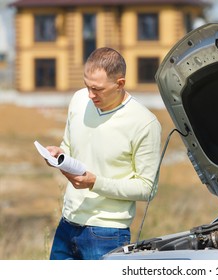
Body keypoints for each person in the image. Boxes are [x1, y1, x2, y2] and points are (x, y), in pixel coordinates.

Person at [46, 47, 162, 260]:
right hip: (68, 223)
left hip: (107, 233)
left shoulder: (145, 123)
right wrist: (59, 154)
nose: (90, 95)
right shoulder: (79, 100)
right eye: (86, 86)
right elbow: (70, 145)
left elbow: (147, 188)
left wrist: (94, 182)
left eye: (97, 89)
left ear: (120, 84)